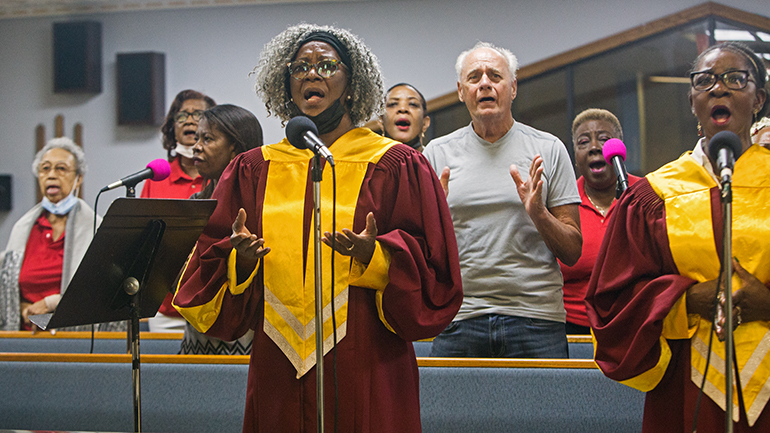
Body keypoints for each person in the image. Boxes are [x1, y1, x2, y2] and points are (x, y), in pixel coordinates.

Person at [172, 24, 462, 432]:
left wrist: (375, 256)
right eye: (300, 67)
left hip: (368, 357)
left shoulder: (394, 164)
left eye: (327, 65)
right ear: (286, 84)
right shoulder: (254, 169)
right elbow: (206, 264)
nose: (312, 74)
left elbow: (436, 269)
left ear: (349, 82)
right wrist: (239, 260)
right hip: (278, 359)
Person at [585, 42, 770, 432]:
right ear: (692, 101)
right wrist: (684, 301)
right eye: (705, 81)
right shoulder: (655, 194)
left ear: (759, 99)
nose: (718, 89)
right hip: (685, 384)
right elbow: (612, 302)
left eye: (736, 79)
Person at [423, 41, 582, 358]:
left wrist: (539, 214)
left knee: (546, 410)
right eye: (474, 77)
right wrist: (431, 220)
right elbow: (422, 256)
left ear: (513, 88)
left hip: (536, 319)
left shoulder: (547, 148)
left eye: (495, 76)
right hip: (460, 319)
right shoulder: (436, 154)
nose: (484, 83)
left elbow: (573, 250)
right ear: (460, 90)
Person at [0, 137, 123, 332]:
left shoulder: (96, 228)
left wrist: (51, 303)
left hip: (75, 339)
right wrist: (23, 308)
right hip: (26, 336)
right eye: (45, 169)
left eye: (61, 169)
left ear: (78, 178)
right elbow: (8, 290)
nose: (51, 175)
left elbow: (103, 288)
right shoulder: (22, 228)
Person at [180, 103, 263, 355]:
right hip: (196, 338)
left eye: (208, 139)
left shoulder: (261, 204)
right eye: (196, 138)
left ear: (235, 149)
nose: (196, 146)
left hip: (246, 337)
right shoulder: (196, 204)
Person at [560, 108, 641, 335]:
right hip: (573, 332)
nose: (595, 146)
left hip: (634, 325)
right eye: (583, 142)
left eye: (605, 139)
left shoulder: (646, 195)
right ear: (575, 155)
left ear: (622, 149)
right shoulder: (563, 203)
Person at [141, 89, 216, 332]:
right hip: (166, 309)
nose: (191, 121)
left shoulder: (222, 178)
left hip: (213, 303)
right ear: (172, 127)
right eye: (182, 116)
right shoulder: (155, 179)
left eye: (199, 115)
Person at [379, 83, 431, 152]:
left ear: (425, 123)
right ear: (381, 120)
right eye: (393, 104)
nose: (403, 109)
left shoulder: (437, 161)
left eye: (412, 104)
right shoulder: (367, 161)